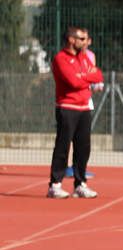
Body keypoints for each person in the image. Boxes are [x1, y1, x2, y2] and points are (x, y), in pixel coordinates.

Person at [48, 26, 103, 199]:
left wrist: (83, 77)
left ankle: (80, 184)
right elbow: (73, 82)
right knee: (62, 147)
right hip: (67, 108)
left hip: (84, 108)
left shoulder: (84, 58)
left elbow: (98, 75)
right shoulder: (60, 59)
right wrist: (85, 77)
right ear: (72, 40)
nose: (85, 42)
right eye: (81, 39)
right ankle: (55, 185)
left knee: (83, 148)